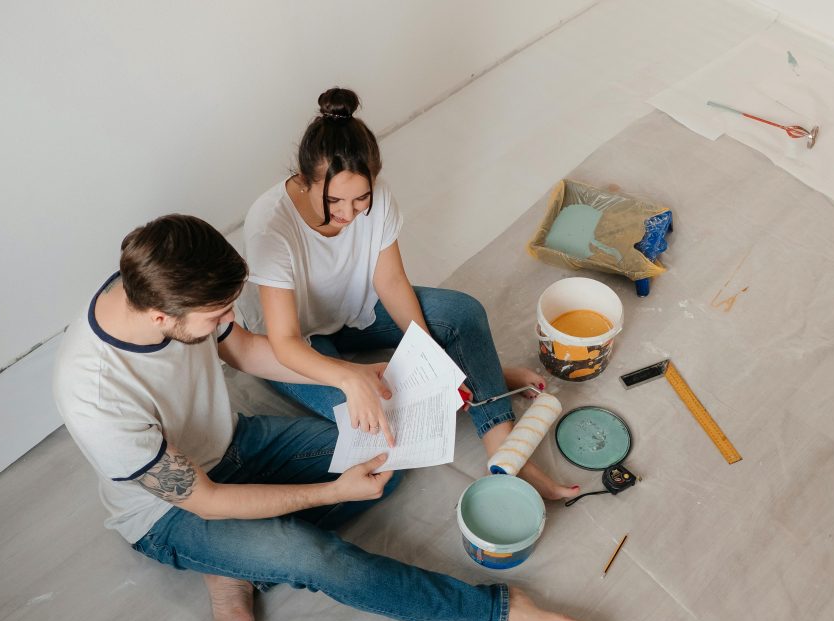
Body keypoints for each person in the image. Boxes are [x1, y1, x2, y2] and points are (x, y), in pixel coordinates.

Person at [53, 214, 596, 621]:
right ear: (158, 317)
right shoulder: (95, 394)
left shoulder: (156, 277)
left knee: (387, 453)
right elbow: (209, 501)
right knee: (313, 558)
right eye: (217, 312)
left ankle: (235, 563)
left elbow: (241, 350)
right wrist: (332, 493)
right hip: (172, 513)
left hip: (233, 445)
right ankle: (501, 611)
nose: (225, 318)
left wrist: (346, 374)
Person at [238, 87, 580, 500]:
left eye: (360, 198)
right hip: (294, 341)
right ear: (305, 180)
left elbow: (391, 283)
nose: (347, 214)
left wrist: (431, 359)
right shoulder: (269, 224)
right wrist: (350, 379)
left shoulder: (377, 200)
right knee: (372, 421)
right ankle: (477, 371)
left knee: (463, 314)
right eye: (333, 201)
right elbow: (286, 343)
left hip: (355, 309)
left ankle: (508, 455)